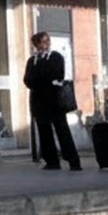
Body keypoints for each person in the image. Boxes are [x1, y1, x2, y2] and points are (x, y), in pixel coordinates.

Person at [22, 32, 81, 171]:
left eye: (47, 41)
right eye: (42, 42)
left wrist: (41, 81)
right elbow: (28, 79)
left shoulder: (56, 57)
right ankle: (51, 161)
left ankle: (73, 160)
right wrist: (41, 81)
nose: (46, 45)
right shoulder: (32, 60)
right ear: (36, 44)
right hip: (38, 100)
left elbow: (57, 75)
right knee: (44, 131)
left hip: (54, 100)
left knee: (62, 129)